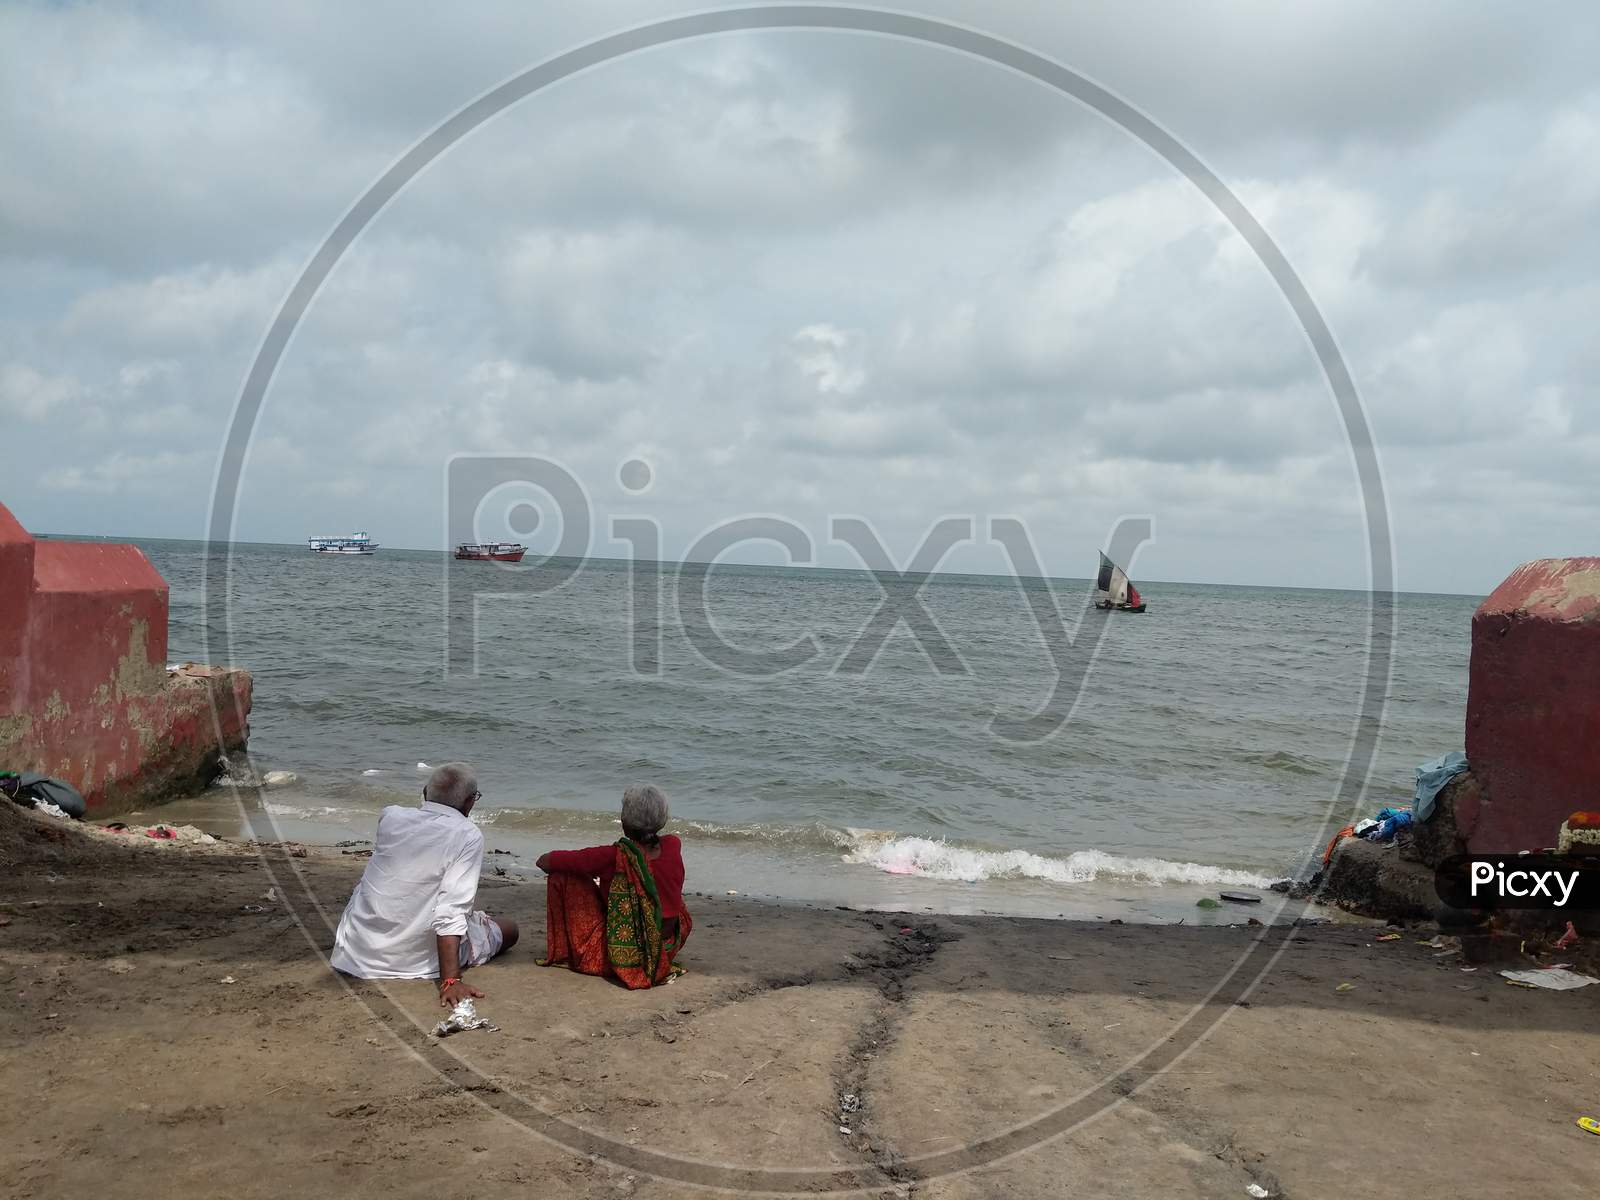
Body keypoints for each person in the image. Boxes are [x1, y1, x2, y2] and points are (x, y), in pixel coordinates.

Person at [330, 763, 518, 1007]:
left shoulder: (391, 816)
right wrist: (451, 980)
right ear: (470, 802)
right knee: (509, 930)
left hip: (356, 951)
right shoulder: (467, 835)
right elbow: (450, 910)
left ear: (425, 791)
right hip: (413, 960)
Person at [536, 783, 691, 989]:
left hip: (623, 954)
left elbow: (544, 862)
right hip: (665, 948)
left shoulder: (613, 856)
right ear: (661, 821)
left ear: (625, 822)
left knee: (561, 877)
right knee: (665, 895)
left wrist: (598, 881)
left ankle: (572, 952)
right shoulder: (673, 845)